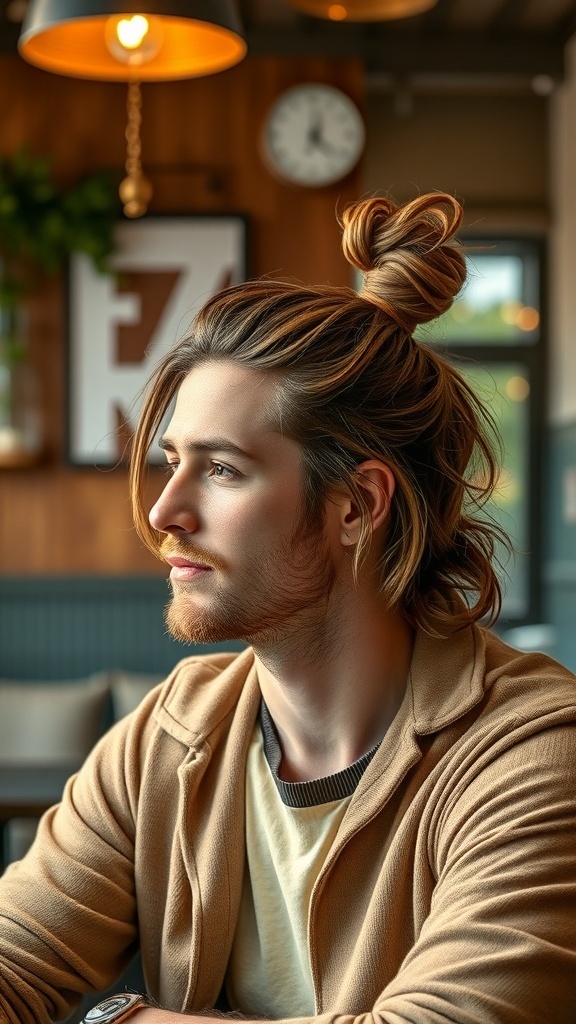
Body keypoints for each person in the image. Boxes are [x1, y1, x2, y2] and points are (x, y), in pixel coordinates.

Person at [0, 191, 575, 1024]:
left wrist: (120, 1018)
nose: (165, 513)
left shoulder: (532, 757)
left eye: (223, 470)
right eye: (172, 461)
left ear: (355, 506)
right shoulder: (166, 739)